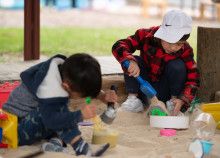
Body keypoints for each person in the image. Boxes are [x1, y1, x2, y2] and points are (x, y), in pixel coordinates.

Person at [3, 53, 117, 156]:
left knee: (62, 114)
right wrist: (80, 115)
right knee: (61, 116)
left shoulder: (65, 70)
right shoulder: (50, 89)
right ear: (66, 86)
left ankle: (54, 143)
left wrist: (101, 96)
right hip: (15, 130)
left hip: (33, 119)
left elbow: (82, 83)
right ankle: (80, 147)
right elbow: (53, 119)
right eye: (83, 96)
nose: (85, 99)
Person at [112, 10, 200, 115]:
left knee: (178, 66)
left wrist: (184, 99)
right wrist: (129, 60)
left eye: (179, 44)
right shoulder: (146, 35)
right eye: (169, 41)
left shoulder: (185, 49)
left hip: (166, 93)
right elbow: (119, 45)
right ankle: (133, 100)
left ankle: (173, 102)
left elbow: (194, 77)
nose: (173, 47)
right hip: (143, 88)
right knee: (133, 60)